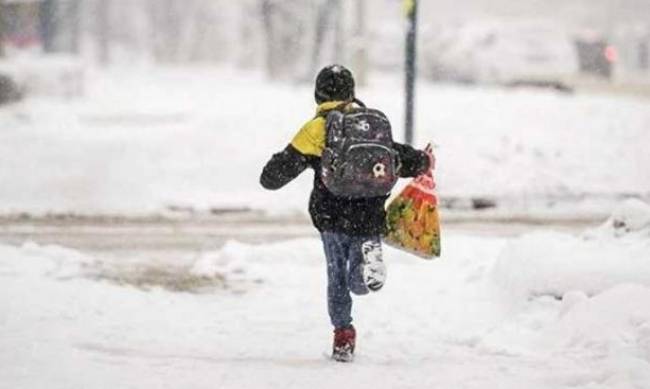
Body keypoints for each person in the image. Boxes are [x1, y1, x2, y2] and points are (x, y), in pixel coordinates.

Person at [260, 64, 432, 362]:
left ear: (318, 94)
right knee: (359, 278)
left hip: (332, 215)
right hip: (369, 214)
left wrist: (276, 169)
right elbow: (399, 156)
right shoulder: (370, 123)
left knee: (337, 277)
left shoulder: (317, 128)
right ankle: (368, 265)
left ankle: (343, 336)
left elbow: (274, 176)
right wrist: (424, 160)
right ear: (352, 92)